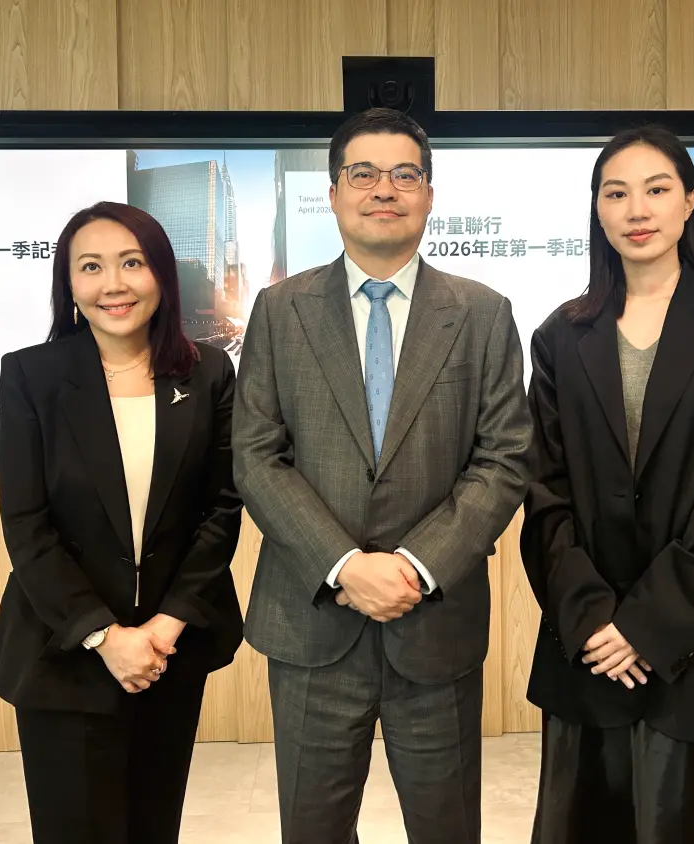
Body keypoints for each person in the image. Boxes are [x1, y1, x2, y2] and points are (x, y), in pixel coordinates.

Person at [233, 107, 532, 844]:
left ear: (429, 194)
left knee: (446, 829)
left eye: (404, 174)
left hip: (433, 622)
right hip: (312, 623)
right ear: (334, 193)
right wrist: (343, 564)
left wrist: (416, 566)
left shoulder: (483, 313)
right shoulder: (279, 310)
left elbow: (503, 457)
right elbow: (257, 455)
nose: (383, 189)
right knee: (313, 830)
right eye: (363, 173)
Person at [520, 126, 694, 843]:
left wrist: (645, 628)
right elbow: (545, 495)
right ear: (598, 210)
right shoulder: (560, 336)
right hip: (589, 643)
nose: (636, 209)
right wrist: (592, 620)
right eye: (616, 193)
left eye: (657, 189)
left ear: (689, 202)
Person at [0, 201, 244, 844]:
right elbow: (27, 523)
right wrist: (104, 636)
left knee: (154, 826)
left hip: (167, 652)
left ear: (161, 275)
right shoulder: (32, 375)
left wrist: (164, 627)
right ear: (69, 283)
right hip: (65, 650)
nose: (114, 284)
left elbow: (222, 507)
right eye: (91, 267)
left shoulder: (208, 372)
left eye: (132, 263)